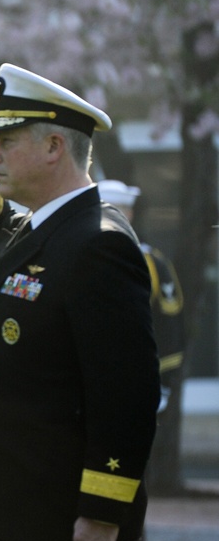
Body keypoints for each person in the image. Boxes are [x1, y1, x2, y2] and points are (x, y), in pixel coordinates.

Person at [0, 63, 160, 541]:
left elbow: (126, 393)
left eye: (6, 140)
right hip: (24, 510)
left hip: (67, 517)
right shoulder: (42, 228)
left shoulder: (99, 245)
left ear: (53, 147)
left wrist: (103, 510)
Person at [99, 180, 185, 494]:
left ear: (131, 213)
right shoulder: (73, 255)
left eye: (119, 210)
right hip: (87, 389)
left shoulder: (152, 262)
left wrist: (162, 385)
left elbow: (170, 327)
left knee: (128, 477)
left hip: (136, 387)